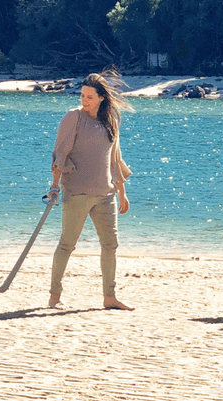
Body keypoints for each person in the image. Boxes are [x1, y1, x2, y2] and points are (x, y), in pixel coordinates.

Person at [46, 70, 135, 311]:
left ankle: (109, 296)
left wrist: (121, 191)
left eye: (90, 97)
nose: (84, 101)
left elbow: (114, 158)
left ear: (101, 98)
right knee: (67, 244)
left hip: (106, 194)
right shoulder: (73, 117)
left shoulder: (111, 121)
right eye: (82, 96)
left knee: (111, 245)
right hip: (77, 192)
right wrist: (54, 186)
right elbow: (60, 153)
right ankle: (55, 296)